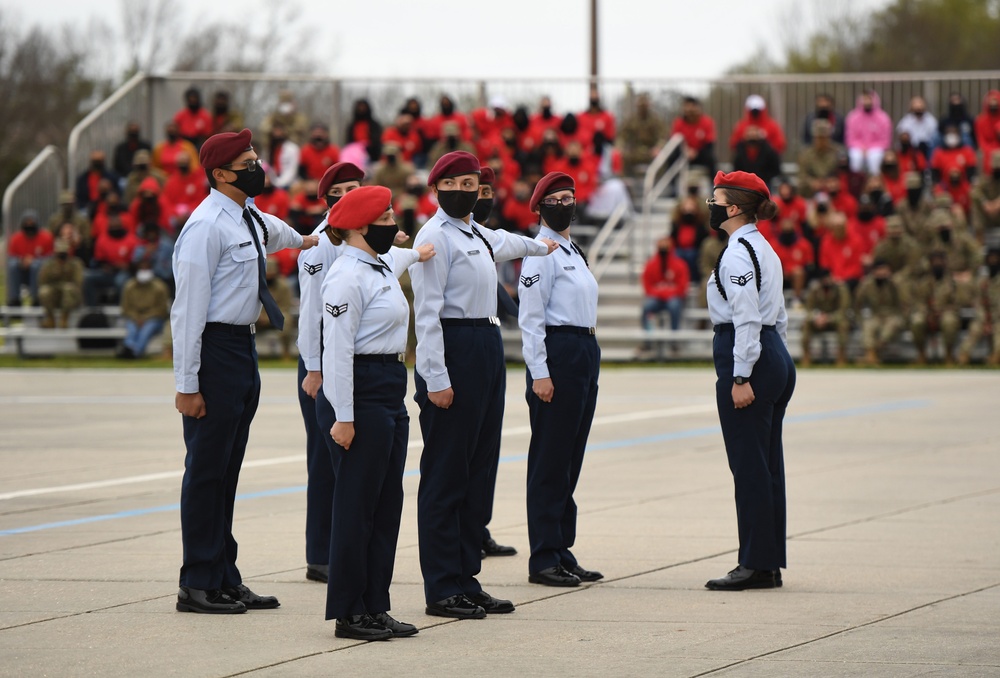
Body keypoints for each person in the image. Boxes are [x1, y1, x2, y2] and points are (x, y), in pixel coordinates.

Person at [171, 128, 319, 614]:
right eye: (249, 162)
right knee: (207, 469)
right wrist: (187, 384)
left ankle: (223, 574)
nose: (259, 168)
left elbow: (284, 235)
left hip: (241, 349)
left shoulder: (247, 216)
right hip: (213, 349)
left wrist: (321, 236)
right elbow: (186, 311)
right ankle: (196, 580)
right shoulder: (206, 226)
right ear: (220, 174)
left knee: (228, 470)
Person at [410, 151, 557, 619]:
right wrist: (435, 376)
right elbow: (427, 313)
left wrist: (545, 246)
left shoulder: (476, 232)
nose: (466, 190)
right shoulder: (434, 236)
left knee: (478, 470)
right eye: (454, 183)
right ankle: (441, 585)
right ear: (436, 189)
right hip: (455, 344)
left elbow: (511, 243)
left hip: (486, 341)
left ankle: (466, 576)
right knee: (446, 472)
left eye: (472, 183)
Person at [316, 186, 433, 640]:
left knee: (386, 505)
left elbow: (404, 256)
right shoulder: (346, 276)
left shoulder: (380, 264)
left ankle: (375, 604)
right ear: (362, 227)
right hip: (360, 391)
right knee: (356, 507)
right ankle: (349, 610)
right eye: (386, 217)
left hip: (389, 387)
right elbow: (338, 351)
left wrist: (421, 251)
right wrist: (343, 416)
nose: (394, 224)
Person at [704, 170, 795, 591]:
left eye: (717, 198)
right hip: (772, 352)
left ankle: (756, 564)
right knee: (767, 465)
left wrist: (741, 374)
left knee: (750, 467)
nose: (711, 204)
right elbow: (777, 314)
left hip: (750, 357)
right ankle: (768, 560)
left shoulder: (738, 252)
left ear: (734, 207)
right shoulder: (764, 247)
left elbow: (745, 318)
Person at [513, 171, 602, 587]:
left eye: (570, 197)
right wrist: (540, 372)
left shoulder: (573, 250)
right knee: (550, 459)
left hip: (583, 349)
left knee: (571, 457)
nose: (565, 204)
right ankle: (544, 556)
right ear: (541, 206)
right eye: (556, 198)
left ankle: (562, 548)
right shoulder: (540, 253)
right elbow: (530, 318)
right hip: (558, 351)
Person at [295, 162, 365, 584]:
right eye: (338, 190)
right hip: (322, 356)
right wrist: (314, 367)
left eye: (354, 187)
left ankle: (343, 545)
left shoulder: (362, 235)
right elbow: (308, 310)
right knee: (324, 459)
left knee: (350, 459)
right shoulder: (321, 242)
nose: (347, 195)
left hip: (354, 356)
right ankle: (320, 553)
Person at [855, 259, 908, 365]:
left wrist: (903, 317)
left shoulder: (895, 283)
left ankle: (872, 354)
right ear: (874, 271)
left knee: (890, 327)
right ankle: (871, 357)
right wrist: (860, 319)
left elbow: (904, 301)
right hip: (876, 315)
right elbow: (857, 303)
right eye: (879, 270)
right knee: (868, 325)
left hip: (893, 315)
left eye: (884, 270)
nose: (882, 273)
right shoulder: (867, 284)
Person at [800, 267, 851, 366]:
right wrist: (816, 317)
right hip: (819, 320)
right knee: (806, 324)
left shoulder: (841, 289)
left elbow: (843, 309)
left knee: (843, 324)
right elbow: (808, 308)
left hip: (835, 319)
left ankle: (841, 355)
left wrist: (828, 318)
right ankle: (806, 355)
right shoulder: (814, 290)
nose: (826, 281)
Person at [119, 260, 170, 359]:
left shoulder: (160, 287)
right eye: (141, 269)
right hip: (134, 317)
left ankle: (135, 352)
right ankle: (129, 348)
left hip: (154, 319)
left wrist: (145, 318)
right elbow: (126, 308)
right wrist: (137, 318)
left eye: (146, 269)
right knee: (132, 327)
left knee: (147, 328)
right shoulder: (129, 286)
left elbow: (162, 310)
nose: (144, 272)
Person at [958, 247, 1000, 365]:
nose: (993, 262)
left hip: (998, 318)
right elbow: (978, 303)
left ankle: (996, 356)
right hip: (983, 317)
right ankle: (963, 356)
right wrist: (985, 320)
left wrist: (992, 320)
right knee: (974, 329)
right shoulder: (982, 282)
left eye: (996, 259)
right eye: (991, 259)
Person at [640, 235, 690, 334]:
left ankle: (674, 340)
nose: (664, 249)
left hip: (673, 298)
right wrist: (665, 291)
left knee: (674, 306)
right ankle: (647, 341)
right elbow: (647, 286)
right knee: (647, 307)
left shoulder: (680, 264)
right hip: (656, 298)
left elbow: (682, 287)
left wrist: (662, 291)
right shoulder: (651, 265)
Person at [6, 210, 54, 306]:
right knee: (12, 265)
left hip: (40, 273)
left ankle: (36, 299)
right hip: (22, 272)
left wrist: (35, 261)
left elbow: (50, 258)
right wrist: (21, 261)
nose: (29, 226)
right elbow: (11, 257)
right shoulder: (16, 239)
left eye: (32, 223)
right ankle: (15, 300)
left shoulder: (46, 237)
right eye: (26, 223)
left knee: (35, 266)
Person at [37, 238, 83, 328]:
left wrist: (65, 271)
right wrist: (55, 273)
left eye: (64, 252)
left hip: (71, 296)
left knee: (68, 288)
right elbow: (42, 281)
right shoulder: (49, 264)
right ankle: (50, 319)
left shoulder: (75, 264)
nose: (62, 255)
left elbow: (78, 282)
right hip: (55, 294)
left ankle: (64, 319)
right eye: (60, 253)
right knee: (44, 291)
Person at [618, 93, 668, 176]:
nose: (642, 108)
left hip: (651, 151)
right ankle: (625, 183)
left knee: (662, 160)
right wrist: (620, 147)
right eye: (640, 106)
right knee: (622, 158)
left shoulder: (656, 120)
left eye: (644, 105)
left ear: (648, 105)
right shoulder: (631, 120)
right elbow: (622, 136)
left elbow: (663, 136)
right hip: (634, 152)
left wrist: (658, 147)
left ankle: (659, 184)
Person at [844, 90, 893, 176]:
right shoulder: (853, 117)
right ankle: (856, 180)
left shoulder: (883, 118)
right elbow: (850, 138)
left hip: (876, 148)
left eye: (869, 99)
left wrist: (870, 148)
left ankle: (874, 180)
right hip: (858, 147)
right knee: (855, 157)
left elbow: (885, 140)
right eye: (864, 99)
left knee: (875, 158)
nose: (867, 102)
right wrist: (861, 147)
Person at [670, 96, 717, 178]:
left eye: (692, 108)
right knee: (671, 158)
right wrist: (686, 151)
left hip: (700, 154)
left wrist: (696, 152)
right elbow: (674, 142)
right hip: (683, 153)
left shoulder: (707, 122)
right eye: (687, 108)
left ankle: (713, 185)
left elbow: (710, 143)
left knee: (711, 159)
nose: (690, 111)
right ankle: (673, 187)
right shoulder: (678, 123)